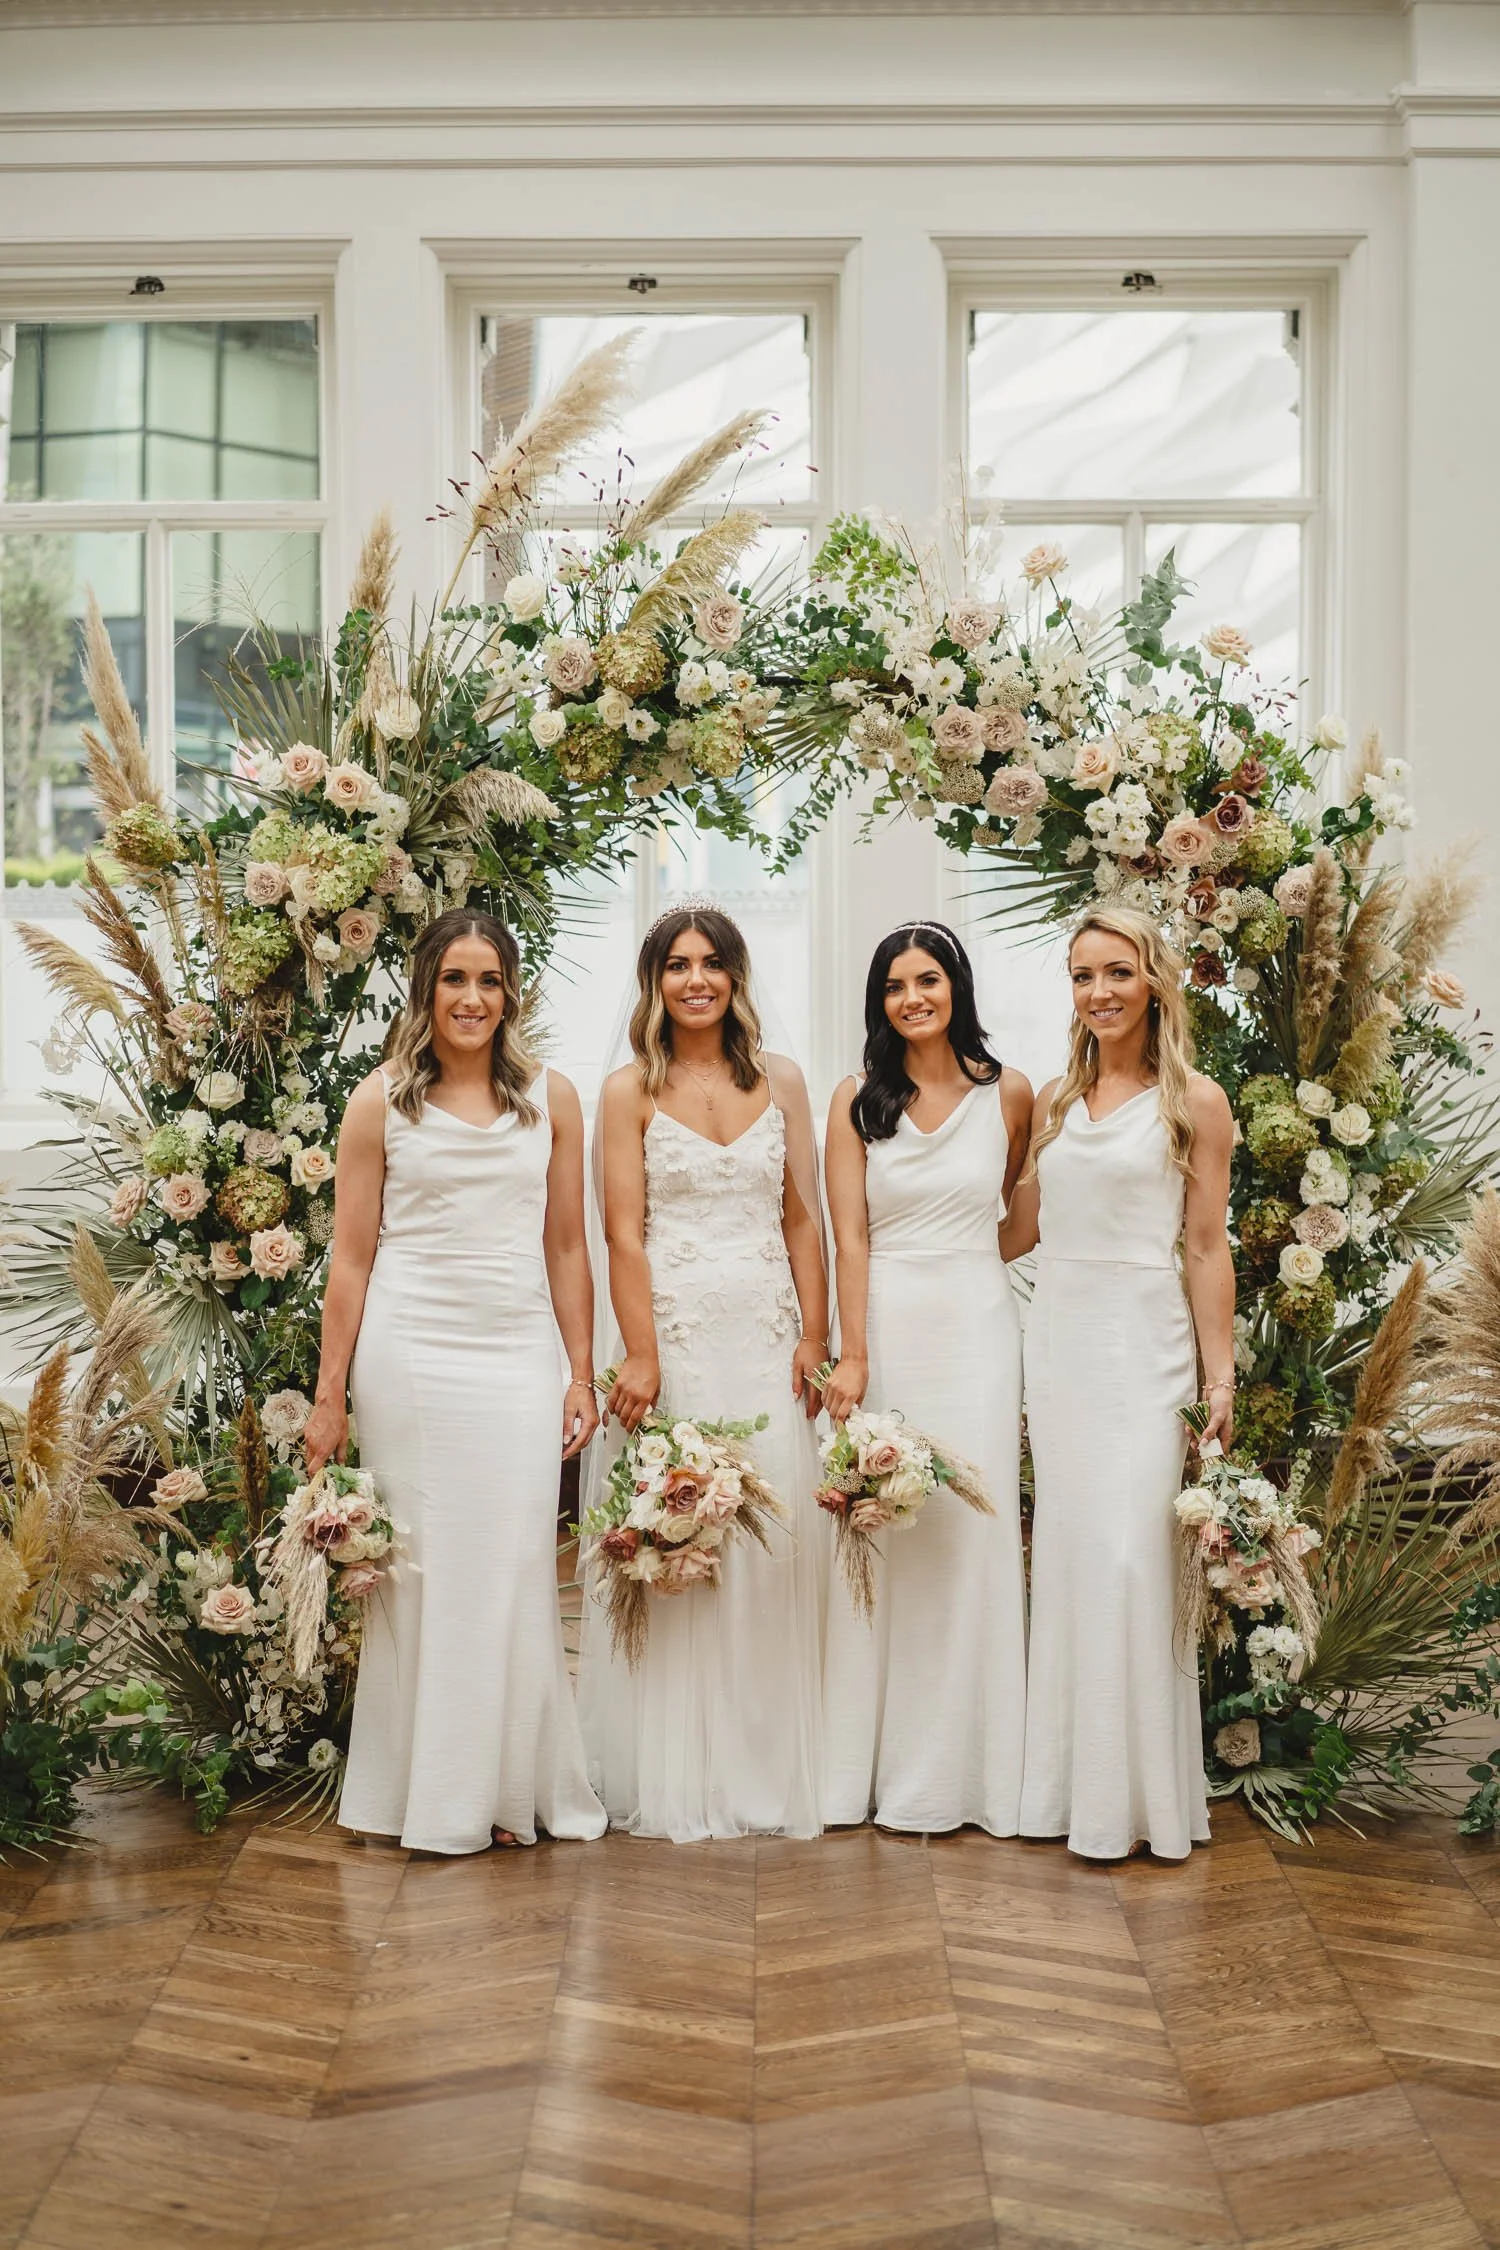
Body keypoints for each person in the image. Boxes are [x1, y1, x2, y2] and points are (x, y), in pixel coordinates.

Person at [304, 908, 606, 1854]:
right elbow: (350, 1261)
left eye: (489, 981)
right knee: (425, 1569)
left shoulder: (551, 1099)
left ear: (511, 993)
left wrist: (580, 1371)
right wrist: (329, 1396)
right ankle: (423, 1796)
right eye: (454, 980)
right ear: (425, 990)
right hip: (412, 1350)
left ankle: (510, 1788)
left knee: (516, 1559)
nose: (472, 999)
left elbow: (566, 1244)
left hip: (517, 1349)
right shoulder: (379, 1101)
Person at [576, 902, 828, 1841]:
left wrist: (816, 1332)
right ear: (655, 981)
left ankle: (765, 1764)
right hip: (675, 1339)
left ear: (736, 977)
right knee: (681, 1538)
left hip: (766, 1338)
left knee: (770, 1547)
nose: (695, 980)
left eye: (711, 963)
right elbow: (621, 1233)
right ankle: (677, 1768)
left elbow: (804, 1219)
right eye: (677, 965)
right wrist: (639, 1352)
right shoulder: (625, 1092)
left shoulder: (784, 1081)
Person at [1005, 905, 1234, 1861]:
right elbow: (1013, 1230)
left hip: (1145, 1345)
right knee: (1068, 1553)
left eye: (1117, 972)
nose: (1098, 992)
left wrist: (1219, 1380)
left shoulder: (1198, 1101)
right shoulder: (1055, 1099)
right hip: (1060, 1339)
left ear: (1154, 983)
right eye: (1081, 975)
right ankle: (1069, 1792)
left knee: (1135, 1557)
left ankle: (1145, 1800)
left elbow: (1205, 1243)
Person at [820, 920, 1032, 1833]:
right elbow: (849, 1236)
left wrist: (965, 1265)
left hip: (980, 1329)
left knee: (972, 1530)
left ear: (958, 989)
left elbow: (1020, 1218)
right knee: (886, 1532)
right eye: (897, 985)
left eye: (929, 981)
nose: (914, 998)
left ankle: (974, 1771)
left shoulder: (1012, 1092)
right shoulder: (856, 1099)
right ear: (881, 1002)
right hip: (891, 1327)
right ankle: (871, 1765)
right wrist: (854, 1351)